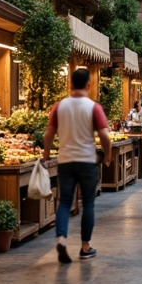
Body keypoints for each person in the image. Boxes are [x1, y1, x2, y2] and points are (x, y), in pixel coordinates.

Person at [44, 67, 112, 263]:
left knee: (64, 202)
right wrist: (107, 155)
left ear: (70, 84)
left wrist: (46, 153)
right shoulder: (93, 107)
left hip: (65, 160)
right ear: (89, 85)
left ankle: (62, 239)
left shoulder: (59, 106)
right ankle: (85, 246)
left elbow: (49, 133)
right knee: (88, 203)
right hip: (87, 161)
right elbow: (105, 136)